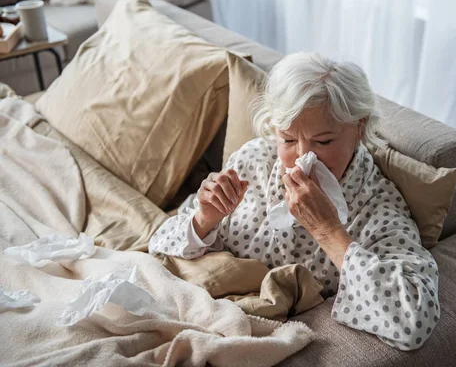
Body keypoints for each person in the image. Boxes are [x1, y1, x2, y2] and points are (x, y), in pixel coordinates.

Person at [149, 52, 440, 350]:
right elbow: (158, 243)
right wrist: (204, 219)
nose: (302, 157)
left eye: (323, 142)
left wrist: (329, 232)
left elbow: (413, 321)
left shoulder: (378, 207)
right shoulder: (254, 160)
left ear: (359, 128)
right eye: (288, 139)